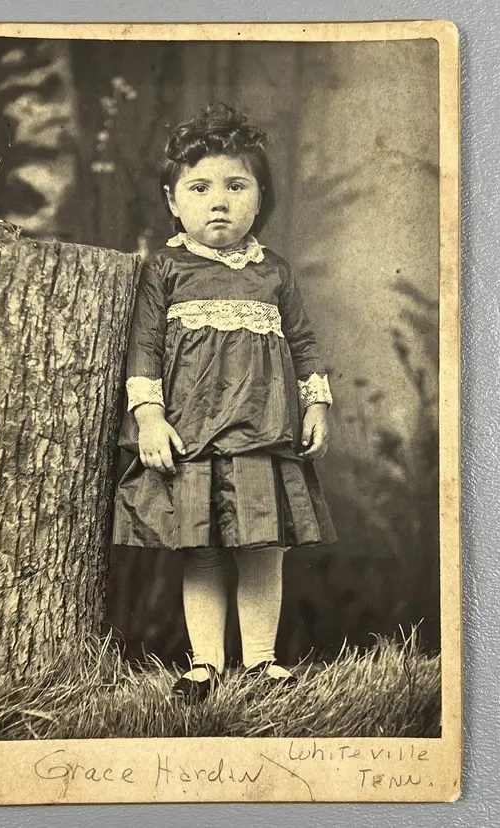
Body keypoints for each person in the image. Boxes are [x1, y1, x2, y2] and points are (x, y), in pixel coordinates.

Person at [112, 102, 336, 700]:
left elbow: (304, 341)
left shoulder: (274, 274)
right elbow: (145, 346)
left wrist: (316, 404)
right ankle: (205, 664)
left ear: (260, 198)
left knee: (264, 547)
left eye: (237, 186)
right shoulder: (165, 269)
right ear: (172, 201)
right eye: (200, 186)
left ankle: (261, 661)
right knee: (203, 549)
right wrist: (151, 417)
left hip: (263, 434)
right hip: (194, 436)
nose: (219, 201)